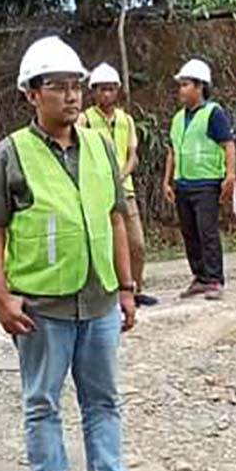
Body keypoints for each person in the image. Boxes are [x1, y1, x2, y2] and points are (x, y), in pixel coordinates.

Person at [0, 36, 161, 471]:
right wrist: (0, 296)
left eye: (75, 85)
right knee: (42, 400)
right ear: (31, 94)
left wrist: (127, 287)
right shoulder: (8, 155)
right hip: (41, 304)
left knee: (103, 400)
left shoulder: (101, 146)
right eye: (57, 86)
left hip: (98, 298)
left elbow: (114, 218)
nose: (72, 95)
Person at [78, 62, 158, 307]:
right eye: (101, 89)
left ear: (118, 90)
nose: (106, 94)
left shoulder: (126, 120)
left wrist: (122, 175)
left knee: (137, 244)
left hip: (125, 190)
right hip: (96, 192)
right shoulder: (85, 120)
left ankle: (135, 288)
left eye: (111, 89)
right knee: (103, 243)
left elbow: (132, 154)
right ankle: (109, 291)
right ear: (93, 92)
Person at [163, 58, 236, 300]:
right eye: (181, 85)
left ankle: (214, 279)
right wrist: (167, 181)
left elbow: (228, 145)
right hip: (183, 183)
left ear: (199, 86)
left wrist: (230, 175)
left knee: (207, 231)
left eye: (185, 85)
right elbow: (172, 150)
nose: (181, 90)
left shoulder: (213, 114)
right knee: (190, 232)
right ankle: (200, 276)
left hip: (206, 182)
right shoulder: (177, 118)